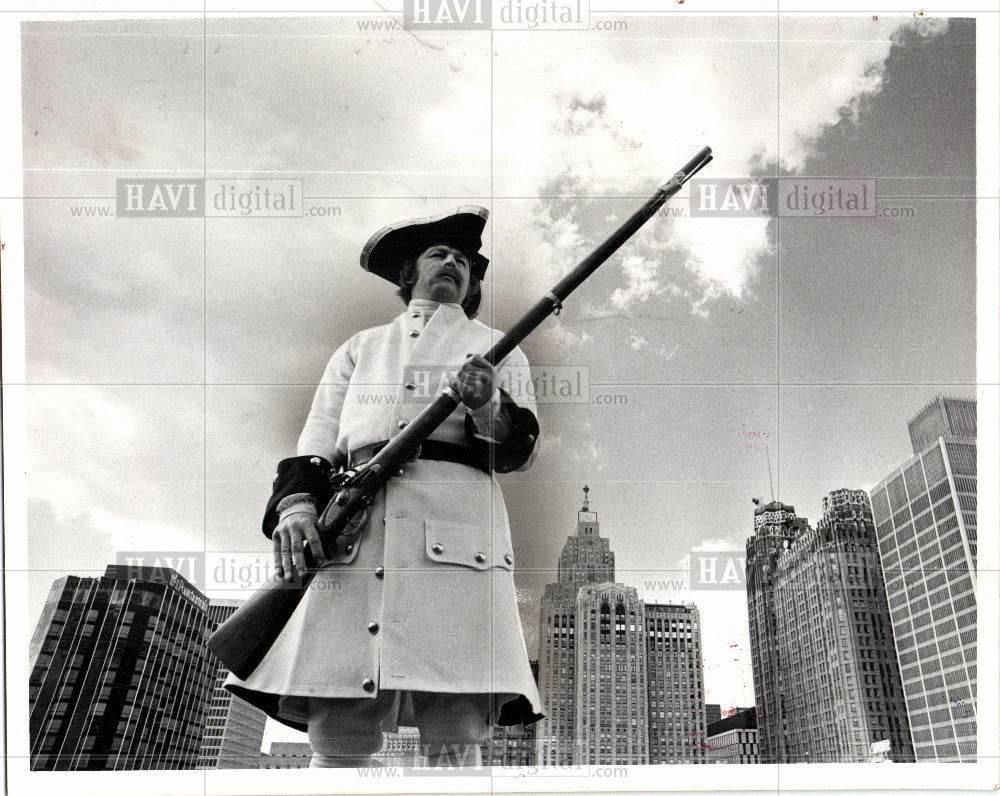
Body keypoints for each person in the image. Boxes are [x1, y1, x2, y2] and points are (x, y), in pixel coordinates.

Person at [225, 206, 543, 768]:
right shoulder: (360, 346)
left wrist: (487, 403)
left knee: (457, 723)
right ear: (408, 275)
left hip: (461, 527)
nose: (453, 263)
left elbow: (519, 448)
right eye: (439, 254)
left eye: (464, 260)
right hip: (357, 524)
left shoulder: (499, 346)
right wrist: (298, 507)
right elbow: (316, 440)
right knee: (338, 720)